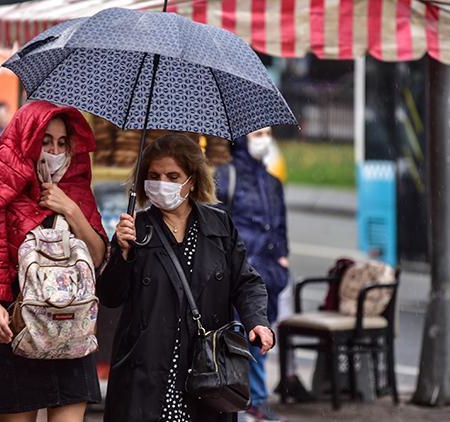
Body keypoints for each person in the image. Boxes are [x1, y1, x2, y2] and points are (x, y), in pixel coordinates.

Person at [98, 134, 275, 422]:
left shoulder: (219, 225)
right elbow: (110, 295)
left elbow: (246, 281)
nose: (161, 183)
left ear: (191, 180)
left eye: (172, 176)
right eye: (154, 176)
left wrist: (257, 322)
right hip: (147, 374)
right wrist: (122, 253)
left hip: (205, 373)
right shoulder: (136, 229)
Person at [0, 100, 108, 422]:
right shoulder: (0, 188)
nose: (54, 150)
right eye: (46, 140)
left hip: (71, 329)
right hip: (17, 326)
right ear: (27, 139)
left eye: (62, 142)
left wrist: (70, 209)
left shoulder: (75, 189)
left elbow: (96, 257)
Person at [216, 127, 308, 422]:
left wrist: (281, 261)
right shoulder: (225, 176)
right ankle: (252, 398)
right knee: (243, 336)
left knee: (262, 336)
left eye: (267, 133)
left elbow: (279, 225)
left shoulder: (271, 181)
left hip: (268, 274)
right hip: (241, 272)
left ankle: (252, 398)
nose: (264, 139)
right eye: (257, 134)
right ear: (242, 138)